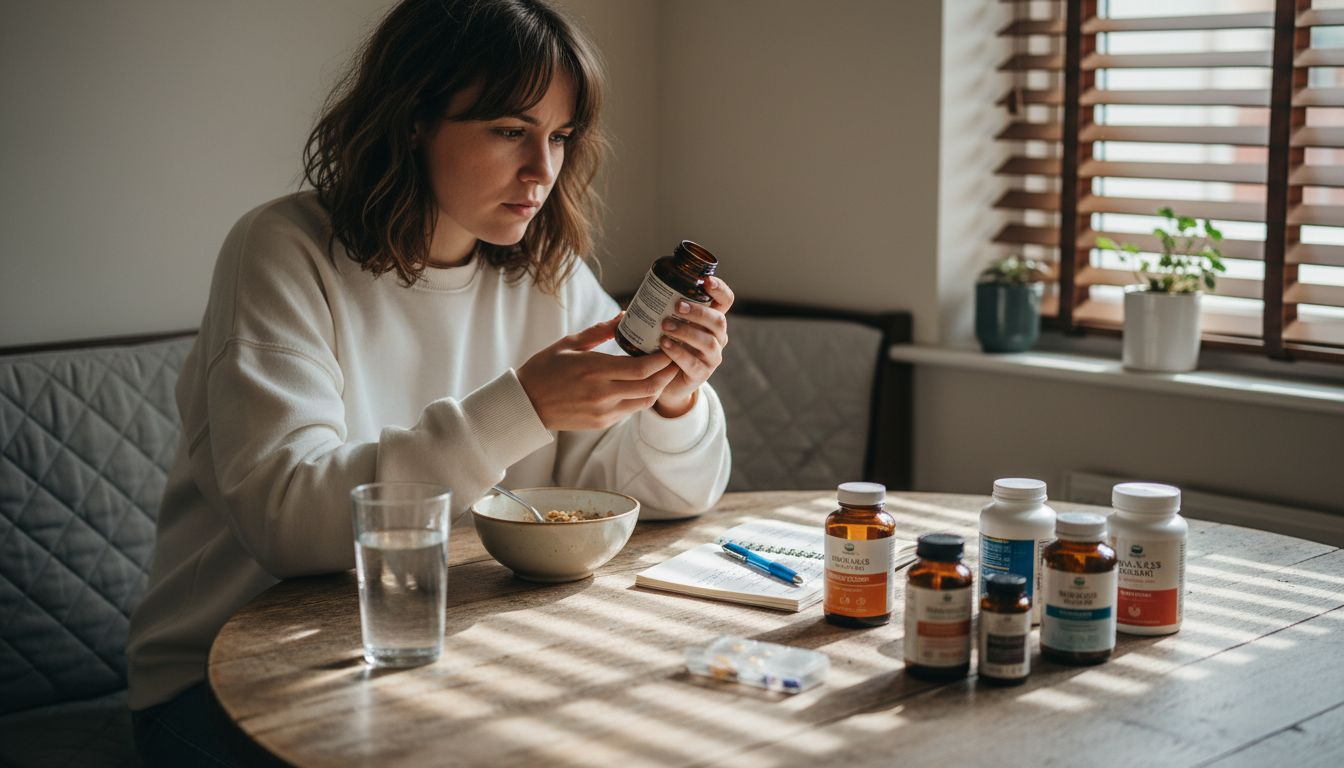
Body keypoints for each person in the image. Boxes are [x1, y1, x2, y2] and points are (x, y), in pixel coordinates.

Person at [126, 0, 732, 763]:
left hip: (447, 655)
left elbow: (665, 497)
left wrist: (673, 397)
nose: (543, 170)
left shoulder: (548, 275)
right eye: (511, 131)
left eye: (560, 136)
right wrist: (525, 407)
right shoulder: (284, 251)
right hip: (225, 677)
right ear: (413, 119)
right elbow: (287, 519)